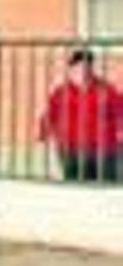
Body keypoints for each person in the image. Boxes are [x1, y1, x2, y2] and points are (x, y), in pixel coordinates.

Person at [38, 48, 123, 184]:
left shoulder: (106, 89)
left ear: (91, 67)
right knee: (75, 188)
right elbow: (49, 115)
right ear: (71, 68)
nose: (82, 70)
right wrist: (45, 137)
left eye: (86, 66)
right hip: (71, 149)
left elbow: (120, 111)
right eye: (78, 66)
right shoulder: (61, 92)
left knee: (106, 187)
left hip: (104, 149)